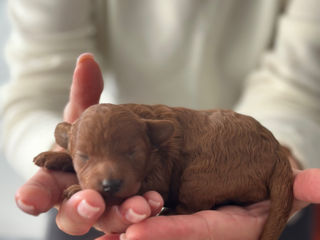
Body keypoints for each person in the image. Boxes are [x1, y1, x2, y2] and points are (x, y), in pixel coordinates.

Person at [1, 0, 320, 239]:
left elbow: (300, 83)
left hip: (262, 178)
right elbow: (33, 85)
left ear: (154, 138)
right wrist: (60, 158)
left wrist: (285, 154)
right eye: (84, 156)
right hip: (87, 218)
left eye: (130, 153)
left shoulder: (161, 148)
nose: (109, 177)